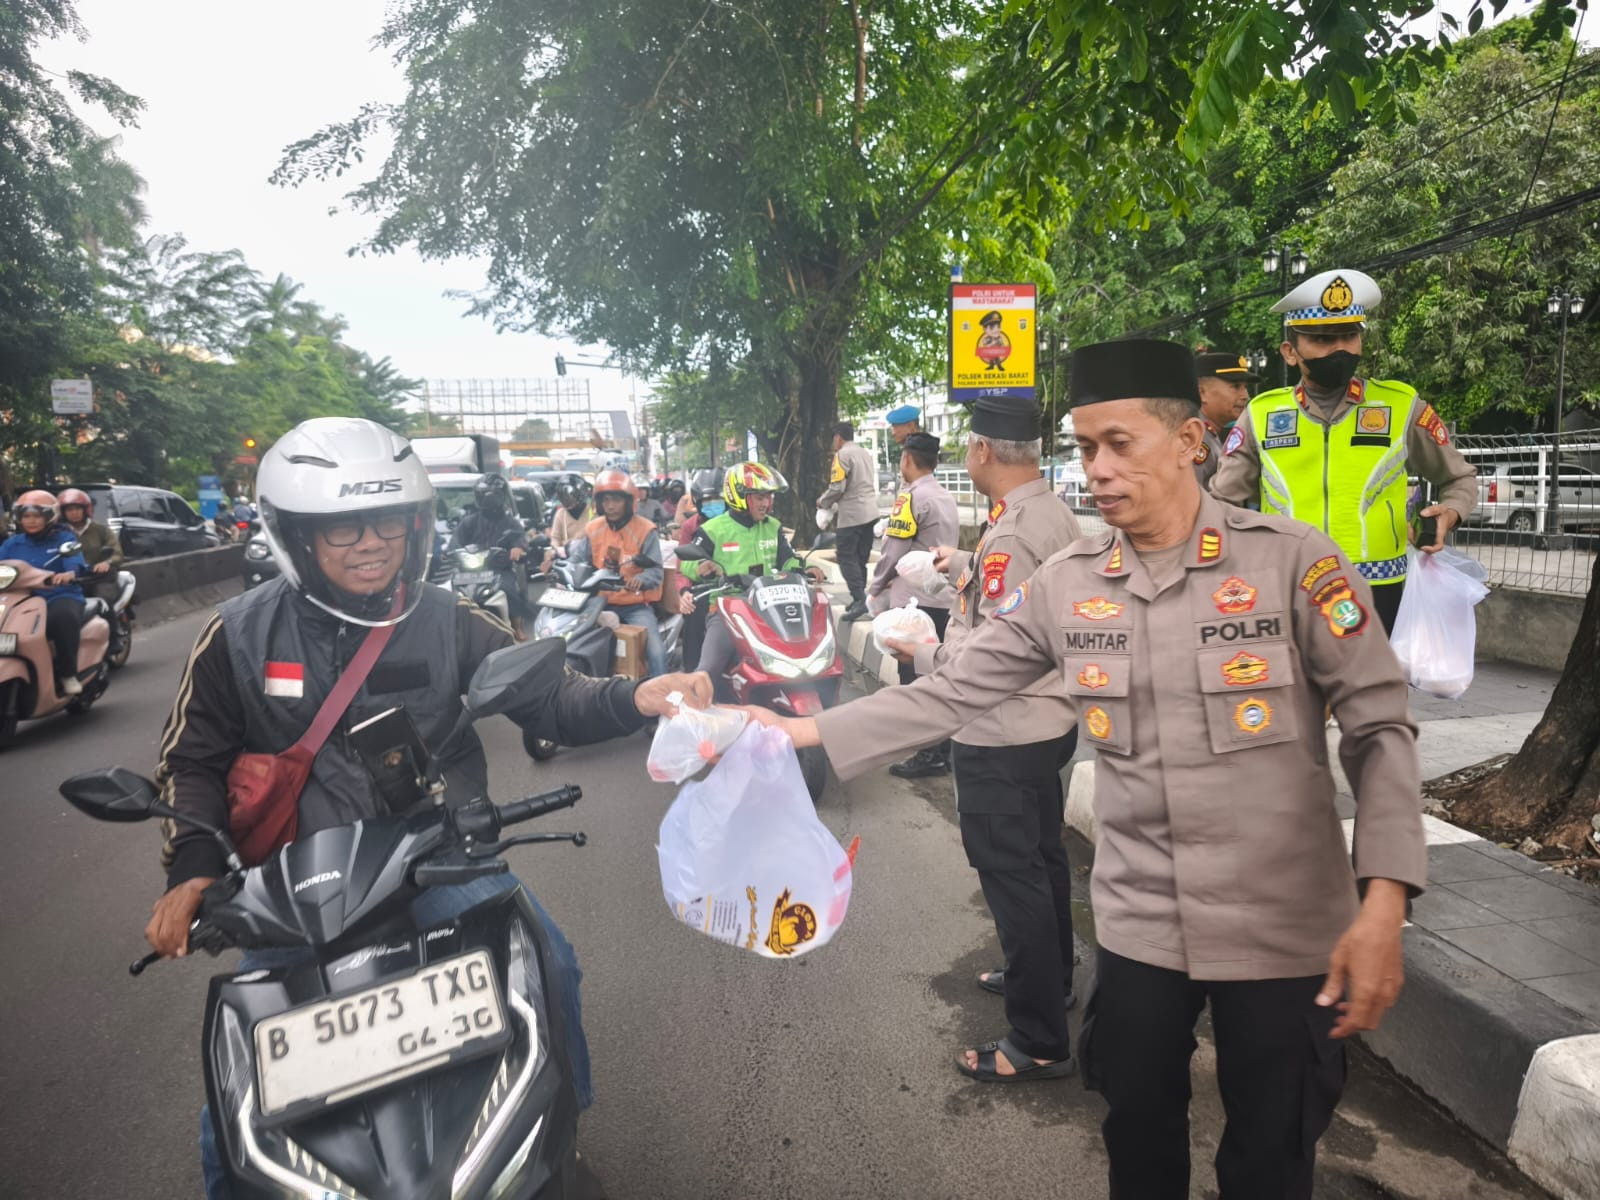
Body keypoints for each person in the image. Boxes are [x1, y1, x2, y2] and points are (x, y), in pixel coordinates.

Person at [746, 339, 1425, 1199]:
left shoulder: (1295, 563)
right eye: (1085, 447)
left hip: (1285, 924)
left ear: (1189, 442)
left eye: (1120, 443)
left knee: (1272, 1151)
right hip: (1143, 925)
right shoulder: (1067, 585)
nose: (1096, 470)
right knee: (1137, 1136)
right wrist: (785, 733)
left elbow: (1379, 724)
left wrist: (1386, 897)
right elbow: (952, 694)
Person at [147, 419, 709, 1199]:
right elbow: (192, 761)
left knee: (552, 970)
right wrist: (193, 871)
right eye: (344, 525)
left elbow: (550, 697)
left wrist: (636, 695)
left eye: (389, 521)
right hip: (293, 892)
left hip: (430, 857)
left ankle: (557, 1144)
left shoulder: (444, 617)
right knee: (237, 1107)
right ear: (297, 535)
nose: (371, 542)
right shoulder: (238, 635)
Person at [884, 395, 1084, 1064]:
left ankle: (1037, 1040)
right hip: (1047, 721)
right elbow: (1029, 608)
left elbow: (993, 652)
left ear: (981, 452)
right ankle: (1049, 982)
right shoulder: (1046, 513)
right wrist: (965, 568)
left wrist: (923, 653)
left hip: (1004, 728)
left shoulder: (1015, 532)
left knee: (1011, 872)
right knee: (1043, 859)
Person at [1209, 268, 1478, 632]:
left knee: (1374, 690)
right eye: (1322, 339)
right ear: (1290, 352)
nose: (1339, 349)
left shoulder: (1400, 407)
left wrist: (1451, 513)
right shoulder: (1261, 415)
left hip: (1378, 592)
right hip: (1286, 589)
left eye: (1349, 335)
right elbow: (1223, 503)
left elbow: (1459, 478)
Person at [866, 431, 959, 777]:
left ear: (906, 459)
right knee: (938, 675)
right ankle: (943, 747)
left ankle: (929, 753)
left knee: (914, 677)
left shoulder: (911, 497)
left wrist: (875, 586)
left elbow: (894, 549)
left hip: (914, 605)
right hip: (943, 598)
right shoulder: (944, 495)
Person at [690, 461, 821, 695]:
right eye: (760, 497)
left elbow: (788, 559)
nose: (767, 504)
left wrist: (806, 568)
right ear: (739, 496)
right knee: (707, 668)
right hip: (728, 611)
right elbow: (688, 561)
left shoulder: (773, 527)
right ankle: (694, 718)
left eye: (769, 497)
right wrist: (702, 566)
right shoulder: (713, 529)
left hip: (770, 607)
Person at [565, 469, 668, 678]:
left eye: (616, 500)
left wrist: (640, 580)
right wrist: (564, 571)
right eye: (606, 500)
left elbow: (656, 571)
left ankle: (662, 697)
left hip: (634, 606)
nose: (610, 506)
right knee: (570, 641)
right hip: (597, 604)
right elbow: (575, 561)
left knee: (656, 652)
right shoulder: (593, 528)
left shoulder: (645, 529)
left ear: (629, 502)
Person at [0, 489, 88, 695]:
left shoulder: (65, 538)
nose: (31, 521)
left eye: (37, 516)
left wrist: (68, 573)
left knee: (62, 619)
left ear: (50, 517)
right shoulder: (12, 543)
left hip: (60, 596)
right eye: (26, 516)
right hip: (21, 600)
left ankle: (68, 674)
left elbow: (74, 561)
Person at [447, 473, 532, 638]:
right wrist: (450, 551)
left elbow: (520, 540)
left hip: (499, 568)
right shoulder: (469, 521)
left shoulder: (510, 522)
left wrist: (517, 549)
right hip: (468, 572)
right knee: (452, 596)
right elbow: (455, 541)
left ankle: (516, 626)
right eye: (484, 496)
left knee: (509, 589)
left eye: (493, 496)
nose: (489, 500)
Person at [818, 420, 880, 622]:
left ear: (838, 438)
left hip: (852, 515)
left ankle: (860, 599)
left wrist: (822, 502)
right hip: (870, 513)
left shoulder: (842, 455)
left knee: (845, 556)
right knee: (860, 557)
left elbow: (837, 488)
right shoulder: (864, 453)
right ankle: (860, 599)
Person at [57, 487, 125, 658]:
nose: (73, 513)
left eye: (77, 509)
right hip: (73, 580)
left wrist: (106, 563)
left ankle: (114, 637)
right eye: (69, 510)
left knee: (103, 601)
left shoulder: (101, 530)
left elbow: (117, 552)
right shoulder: (59, 534)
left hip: (101, 578)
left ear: (85, 509)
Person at [672, 468, 726, 669]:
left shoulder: (737, 524)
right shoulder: (690, 527)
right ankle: (692, 676)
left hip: (737, 588)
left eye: (718, 500)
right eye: (708, 501)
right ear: (697, 502)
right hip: (705, 590)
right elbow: (681, 567)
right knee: (693, 614)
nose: (714, 506)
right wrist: (685, 592)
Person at [1191, 351, 1258, 486]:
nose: (1245, 396)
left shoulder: (1207, 434)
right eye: (1236, 386)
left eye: (1245, 387)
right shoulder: (1195, 438)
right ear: (1201, 393)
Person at [547, 479, 592, 555]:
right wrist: (557, 549)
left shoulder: (593, 511)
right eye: (563, 497)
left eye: (571, 496)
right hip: (568, 556)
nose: (567, 500)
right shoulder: (560, 514)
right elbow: (555, 538)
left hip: (589, 556)